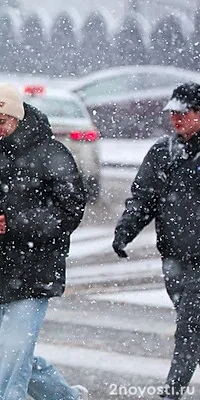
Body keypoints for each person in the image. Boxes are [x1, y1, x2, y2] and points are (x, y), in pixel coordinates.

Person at [0, 83, 89, 400]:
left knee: (11, 365)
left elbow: (70, 212)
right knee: (12, 355)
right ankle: (66, 397)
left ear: (17, 116)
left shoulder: (51, 153)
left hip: (35, 268)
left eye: (1, 121)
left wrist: (14, 223)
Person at [113, 82, 200, 400]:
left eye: (183, 113)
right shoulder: (162, 153)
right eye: (172, 113)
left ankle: (171, 393)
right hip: (175, 257)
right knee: (191, 323)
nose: (175, 119)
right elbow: (143, 199)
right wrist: (124, 233)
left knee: (190, 327)